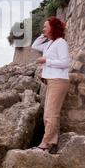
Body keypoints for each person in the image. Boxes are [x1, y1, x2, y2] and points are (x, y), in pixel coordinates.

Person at [31, 16, 70, 153]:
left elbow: (65, 63)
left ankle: (46, 143)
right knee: (49, 113)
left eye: (45, 27)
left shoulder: (61, 43)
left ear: (53, 28)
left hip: (59, 81)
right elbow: (34, 46)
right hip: (51, 81)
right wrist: (43, 35)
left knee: (50, 114)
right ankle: (52, 142)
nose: (43, 29)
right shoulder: (49, 43)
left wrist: (47, 61)